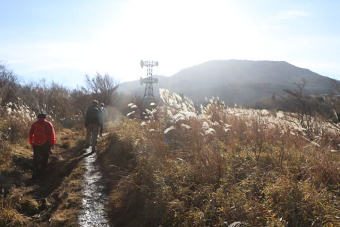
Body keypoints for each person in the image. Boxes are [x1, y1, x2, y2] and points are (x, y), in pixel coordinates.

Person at [29, 113, 56, 180]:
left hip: (36, 143)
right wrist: (52, 143)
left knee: (36, 158)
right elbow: (52, 134)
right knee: (45, 158)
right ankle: (42, 174)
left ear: (37, 117)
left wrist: (31, 142)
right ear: (45, 117)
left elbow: (30, 133)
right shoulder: (48, 124)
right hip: (45, 143)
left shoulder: (35, 124)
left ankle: (35, 174)